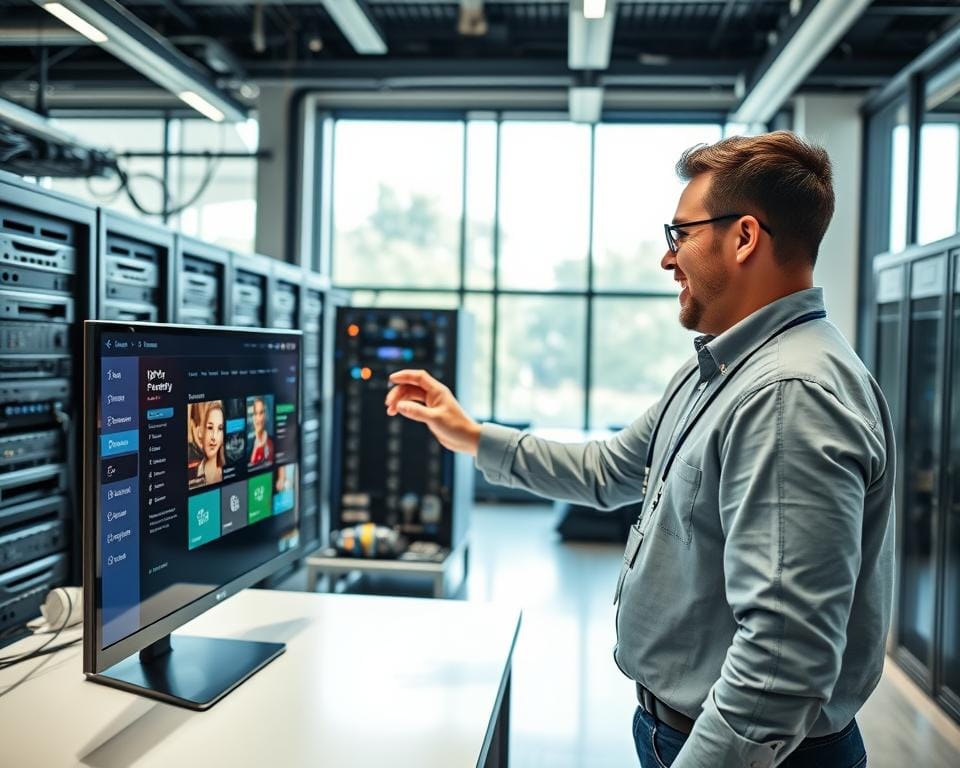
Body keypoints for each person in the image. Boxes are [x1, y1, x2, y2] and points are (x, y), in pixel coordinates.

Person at [385, 131, 895, 768]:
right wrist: (469, 434)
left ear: (744, 237)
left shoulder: (788, 395)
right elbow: (607, 470)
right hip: (682, 731)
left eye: (679, 233)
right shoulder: (723, 367)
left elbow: (783, 661)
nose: (667, 258)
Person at [196, 400, 224, 486]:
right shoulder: (192, 475)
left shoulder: (227, 470)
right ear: (200, 431)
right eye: (210, 427)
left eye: (220, 429)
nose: (214, 437)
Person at [248, 396, 274, 466]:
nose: (258, 418)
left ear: (265, 415)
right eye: (255, 414)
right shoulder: (248, 447)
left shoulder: (272, 441)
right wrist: (256, 448)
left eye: (261, 413)